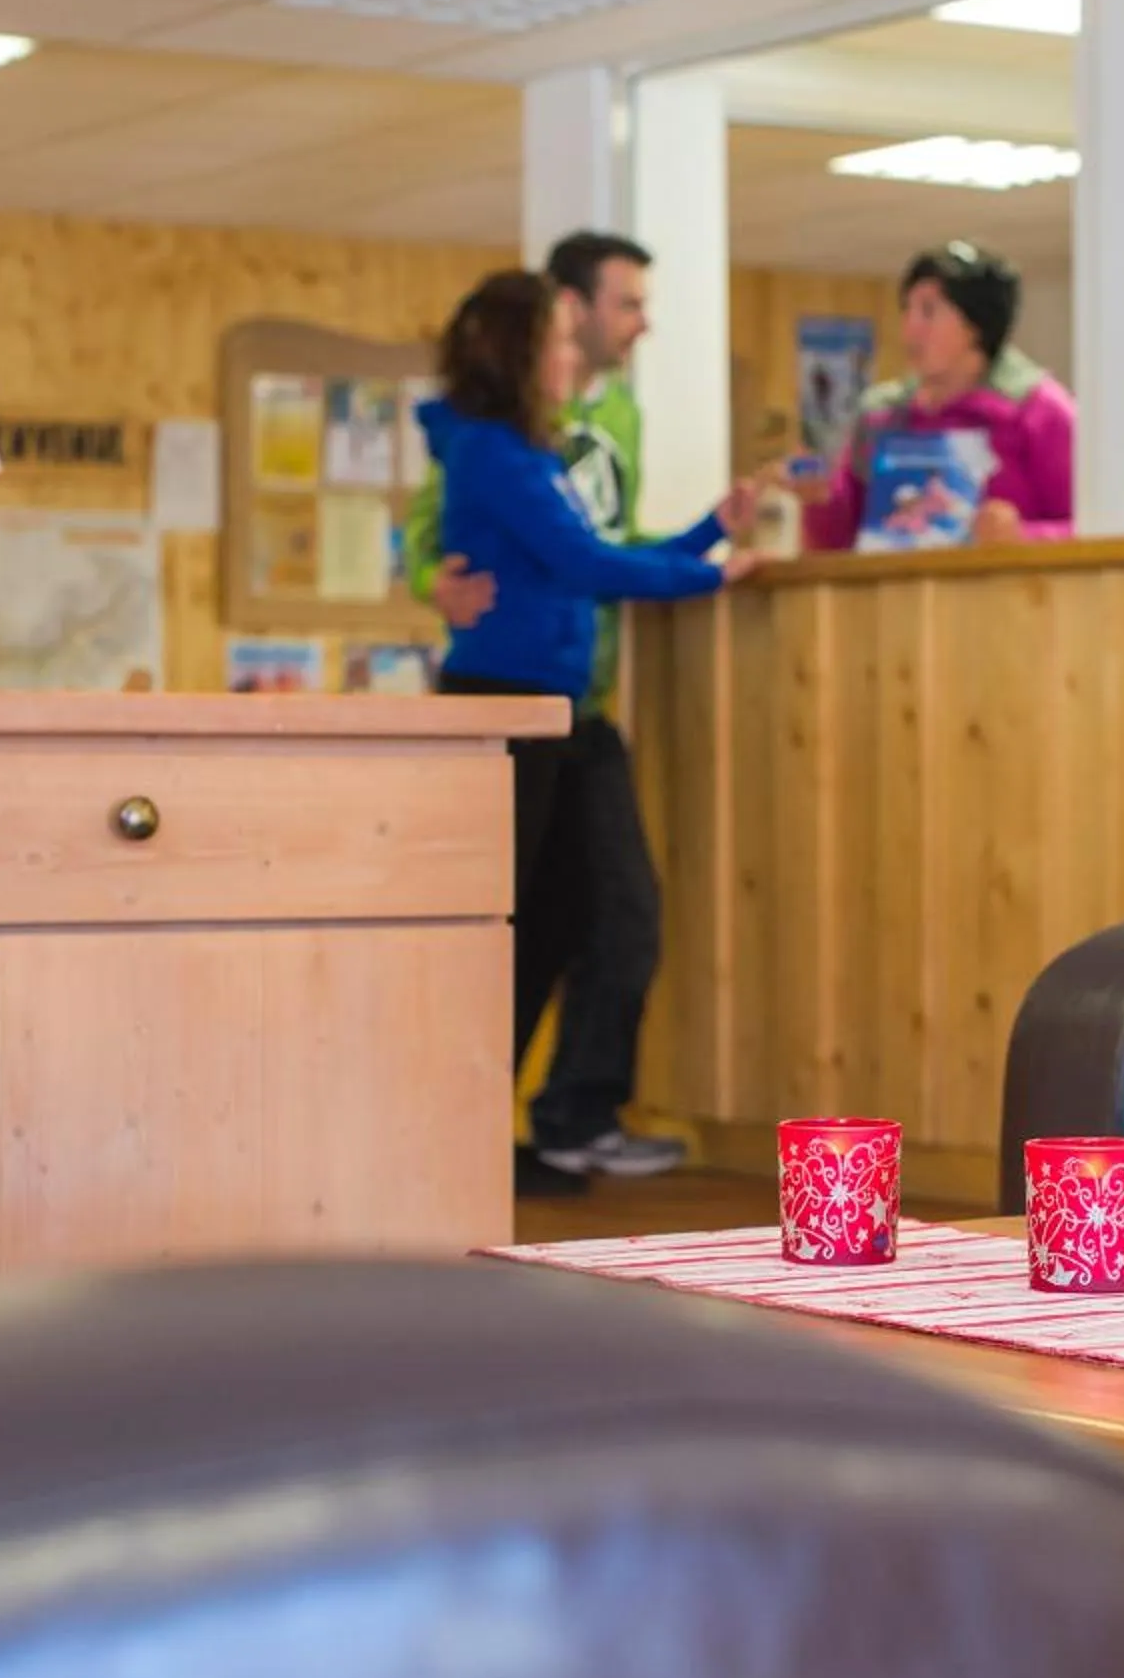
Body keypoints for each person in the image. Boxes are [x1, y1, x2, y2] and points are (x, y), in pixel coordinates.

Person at [416, 268, 756, 1198]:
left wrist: (702, 537)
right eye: (558, 343)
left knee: (566, 917)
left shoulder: (528, 454)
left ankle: (531, 1121)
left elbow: (590, 556)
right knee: (506, 925)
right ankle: (460, 1125)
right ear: (520, 356)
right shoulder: (492, 453)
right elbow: (582, 564)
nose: (572, 359)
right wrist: (709, 574)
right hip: (503, 706)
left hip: (556, 710)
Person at [791, 241, 1074, 552]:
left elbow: (1098, 529)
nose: (910, 328)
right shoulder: (880, 414)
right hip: (896, 597)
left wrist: (1023, 536)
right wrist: (818, 500)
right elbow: (843, 540)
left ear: (975, 326)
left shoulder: (1038, 410)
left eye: (928, 311)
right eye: (907, 310)